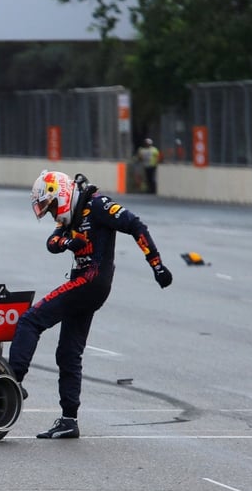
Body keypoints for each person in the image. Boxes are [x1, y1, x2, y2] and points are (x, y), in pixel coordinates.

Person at [9, 170, 173, 439]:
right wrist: (66, 241)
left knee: (30, 320)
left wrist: (156, 265)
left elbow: (136, 225)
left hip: (91, 281)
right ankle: (69, 420)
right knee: (68, 353)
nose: (52, 214)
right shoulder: (72, 212)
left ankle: (13, 381)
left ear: (60, 194)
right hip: (86, 284)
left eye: (50, 208)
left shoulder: (98, 205)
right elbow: (51, 242)